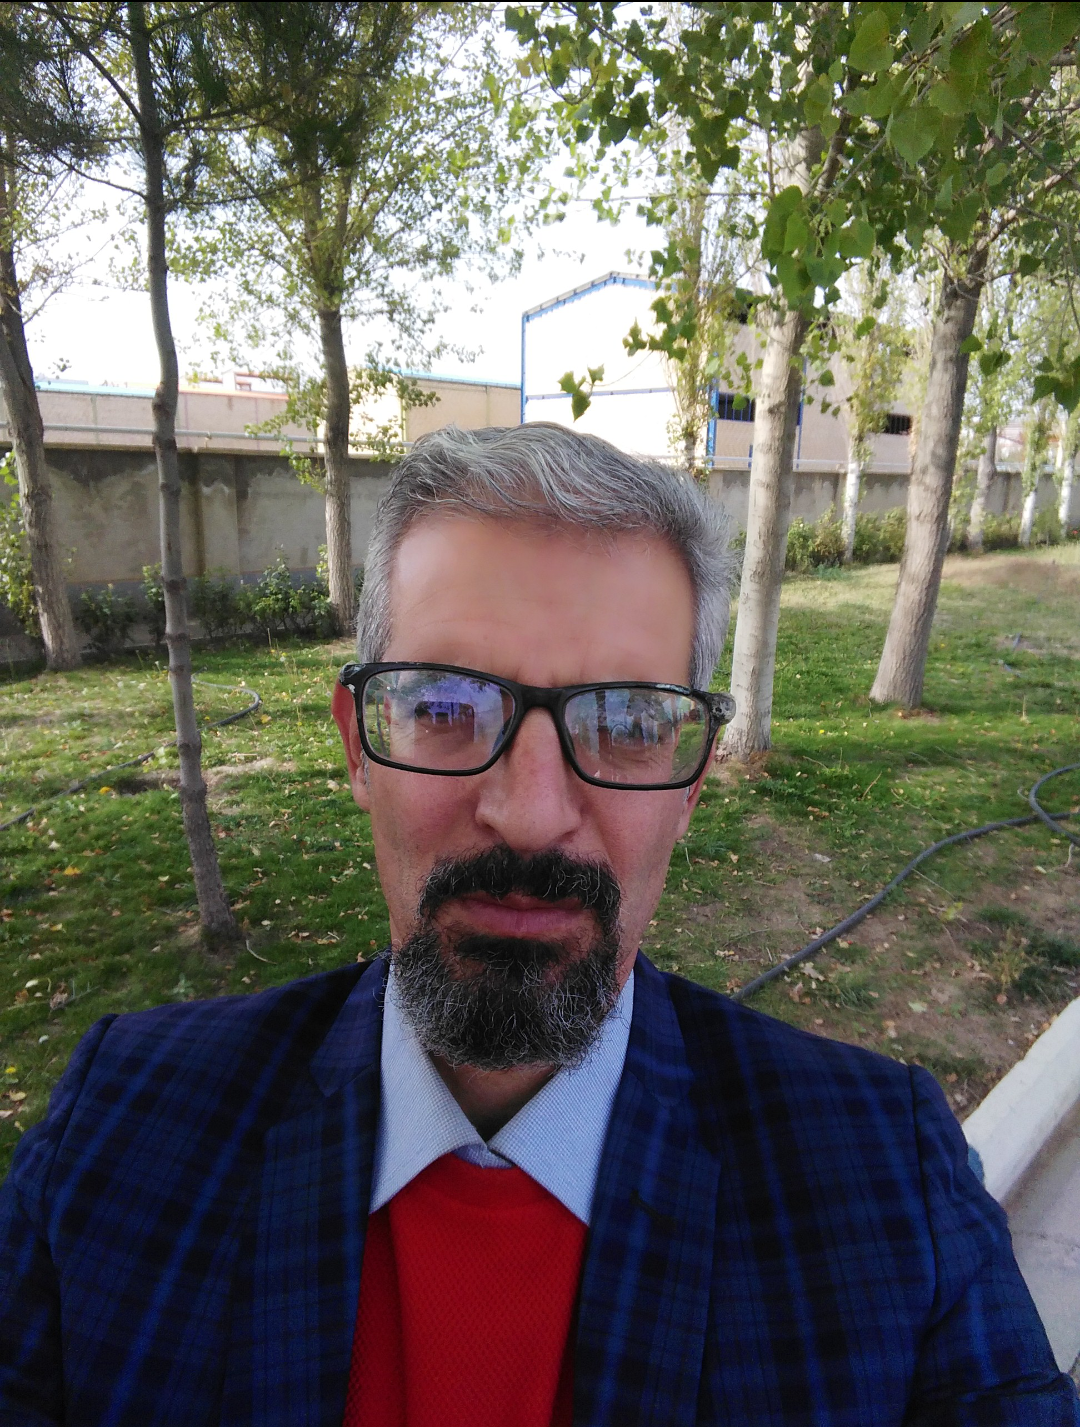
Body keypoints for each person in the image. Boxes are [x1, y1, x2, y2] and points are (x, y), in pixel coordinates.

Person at [0, 423, 1075, 1427]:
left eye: (626, 720)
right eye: (446, 705)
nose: (529, 812)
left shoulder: (886, 1183)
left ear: (691, 781)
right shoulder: (120, 1132)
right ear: (361, 746)